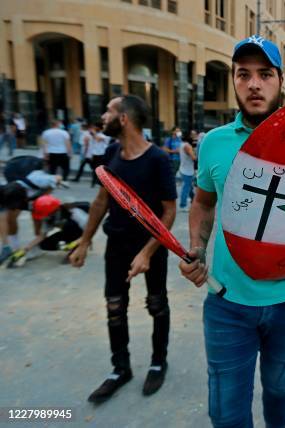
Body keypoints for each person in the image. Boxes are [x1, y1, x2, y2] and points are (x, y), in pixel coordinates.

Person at [178, 35, 285, 428]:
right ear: (235, 81)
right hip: (227, 302)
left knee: (278, 390)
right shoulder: (213, 143)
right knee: (225, 413)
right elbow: (204, 202)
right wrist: (196, 248)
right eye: (244, 74)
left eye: (264, 74)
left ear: (280, 81)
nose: (254, 84)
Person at [69, 95, 177, 403]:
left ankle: (158, 362)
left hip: (150, 246)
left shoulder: (157, 159)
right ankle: (120, 369)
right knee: (114, 306)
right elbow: (102, 200)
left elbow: (168, 212)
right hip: (116, 245)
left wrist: (146, 252)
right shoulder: (112, 151)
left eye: (109, 111)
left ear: (125, 118)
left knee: (156, 304)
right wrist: (85, 240)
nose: (103, 116)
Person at [5, 195, 89, 267]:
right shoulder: (48, 216)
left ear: (54, 211)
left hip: (84, 230)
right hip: (70, 230)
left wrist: (76, 243)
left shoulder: (75, 212)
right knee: (44, 244)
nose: (44, 218)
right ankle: (71, 243)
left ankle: (78, 249)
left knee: (69, 225)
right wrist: (25, 250)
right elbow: (42, 236)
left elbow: (89, 232)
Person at [178, 132, 196, 212]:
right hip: (187, 171)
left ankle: (194, 201)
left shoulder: (182, 144)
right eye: (192, 135)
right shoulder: (187, 146)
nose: (194, 137)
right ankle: (183, 205)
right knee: (186, 188)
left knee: (190, 187)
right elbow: (193, 158)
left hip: (184, 169)